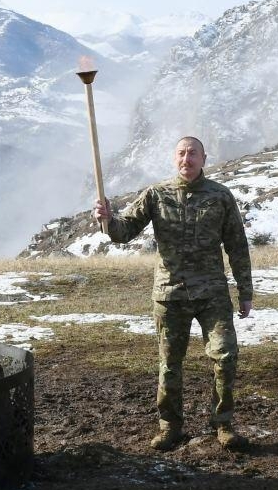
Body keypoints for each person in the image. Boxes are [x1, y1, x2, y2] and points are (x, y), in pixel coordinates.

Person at [93, 136, 253, 451]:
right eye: (181, 153)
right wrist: (107, 220)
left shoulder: (220, 196)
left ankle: (222, 424)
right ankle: (170, 427)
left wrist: (245, 291)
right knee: (170, 363)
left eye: (193, 153)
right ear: (174, 158)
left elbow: (237, 245)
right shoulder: (156, 195)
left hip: (212, 294)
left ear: (204, 159)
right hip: (170, 294)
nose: (186, 159)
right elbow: (125, 232)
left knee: (225, 356)